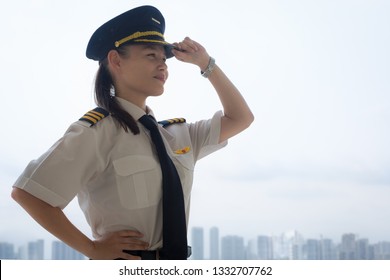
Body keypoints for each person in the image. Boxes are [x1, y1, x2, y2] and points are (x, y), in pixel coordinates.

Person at [11, 5, 254, 260]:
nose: (163, 67)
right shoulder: (96, 132)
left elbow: (241, 118)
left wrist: (205, 63)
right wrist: (91, 248)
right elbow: (28, 194)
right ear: (116, 60)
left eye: (164, 59)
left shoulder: (177, 135)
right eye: (151, 55)